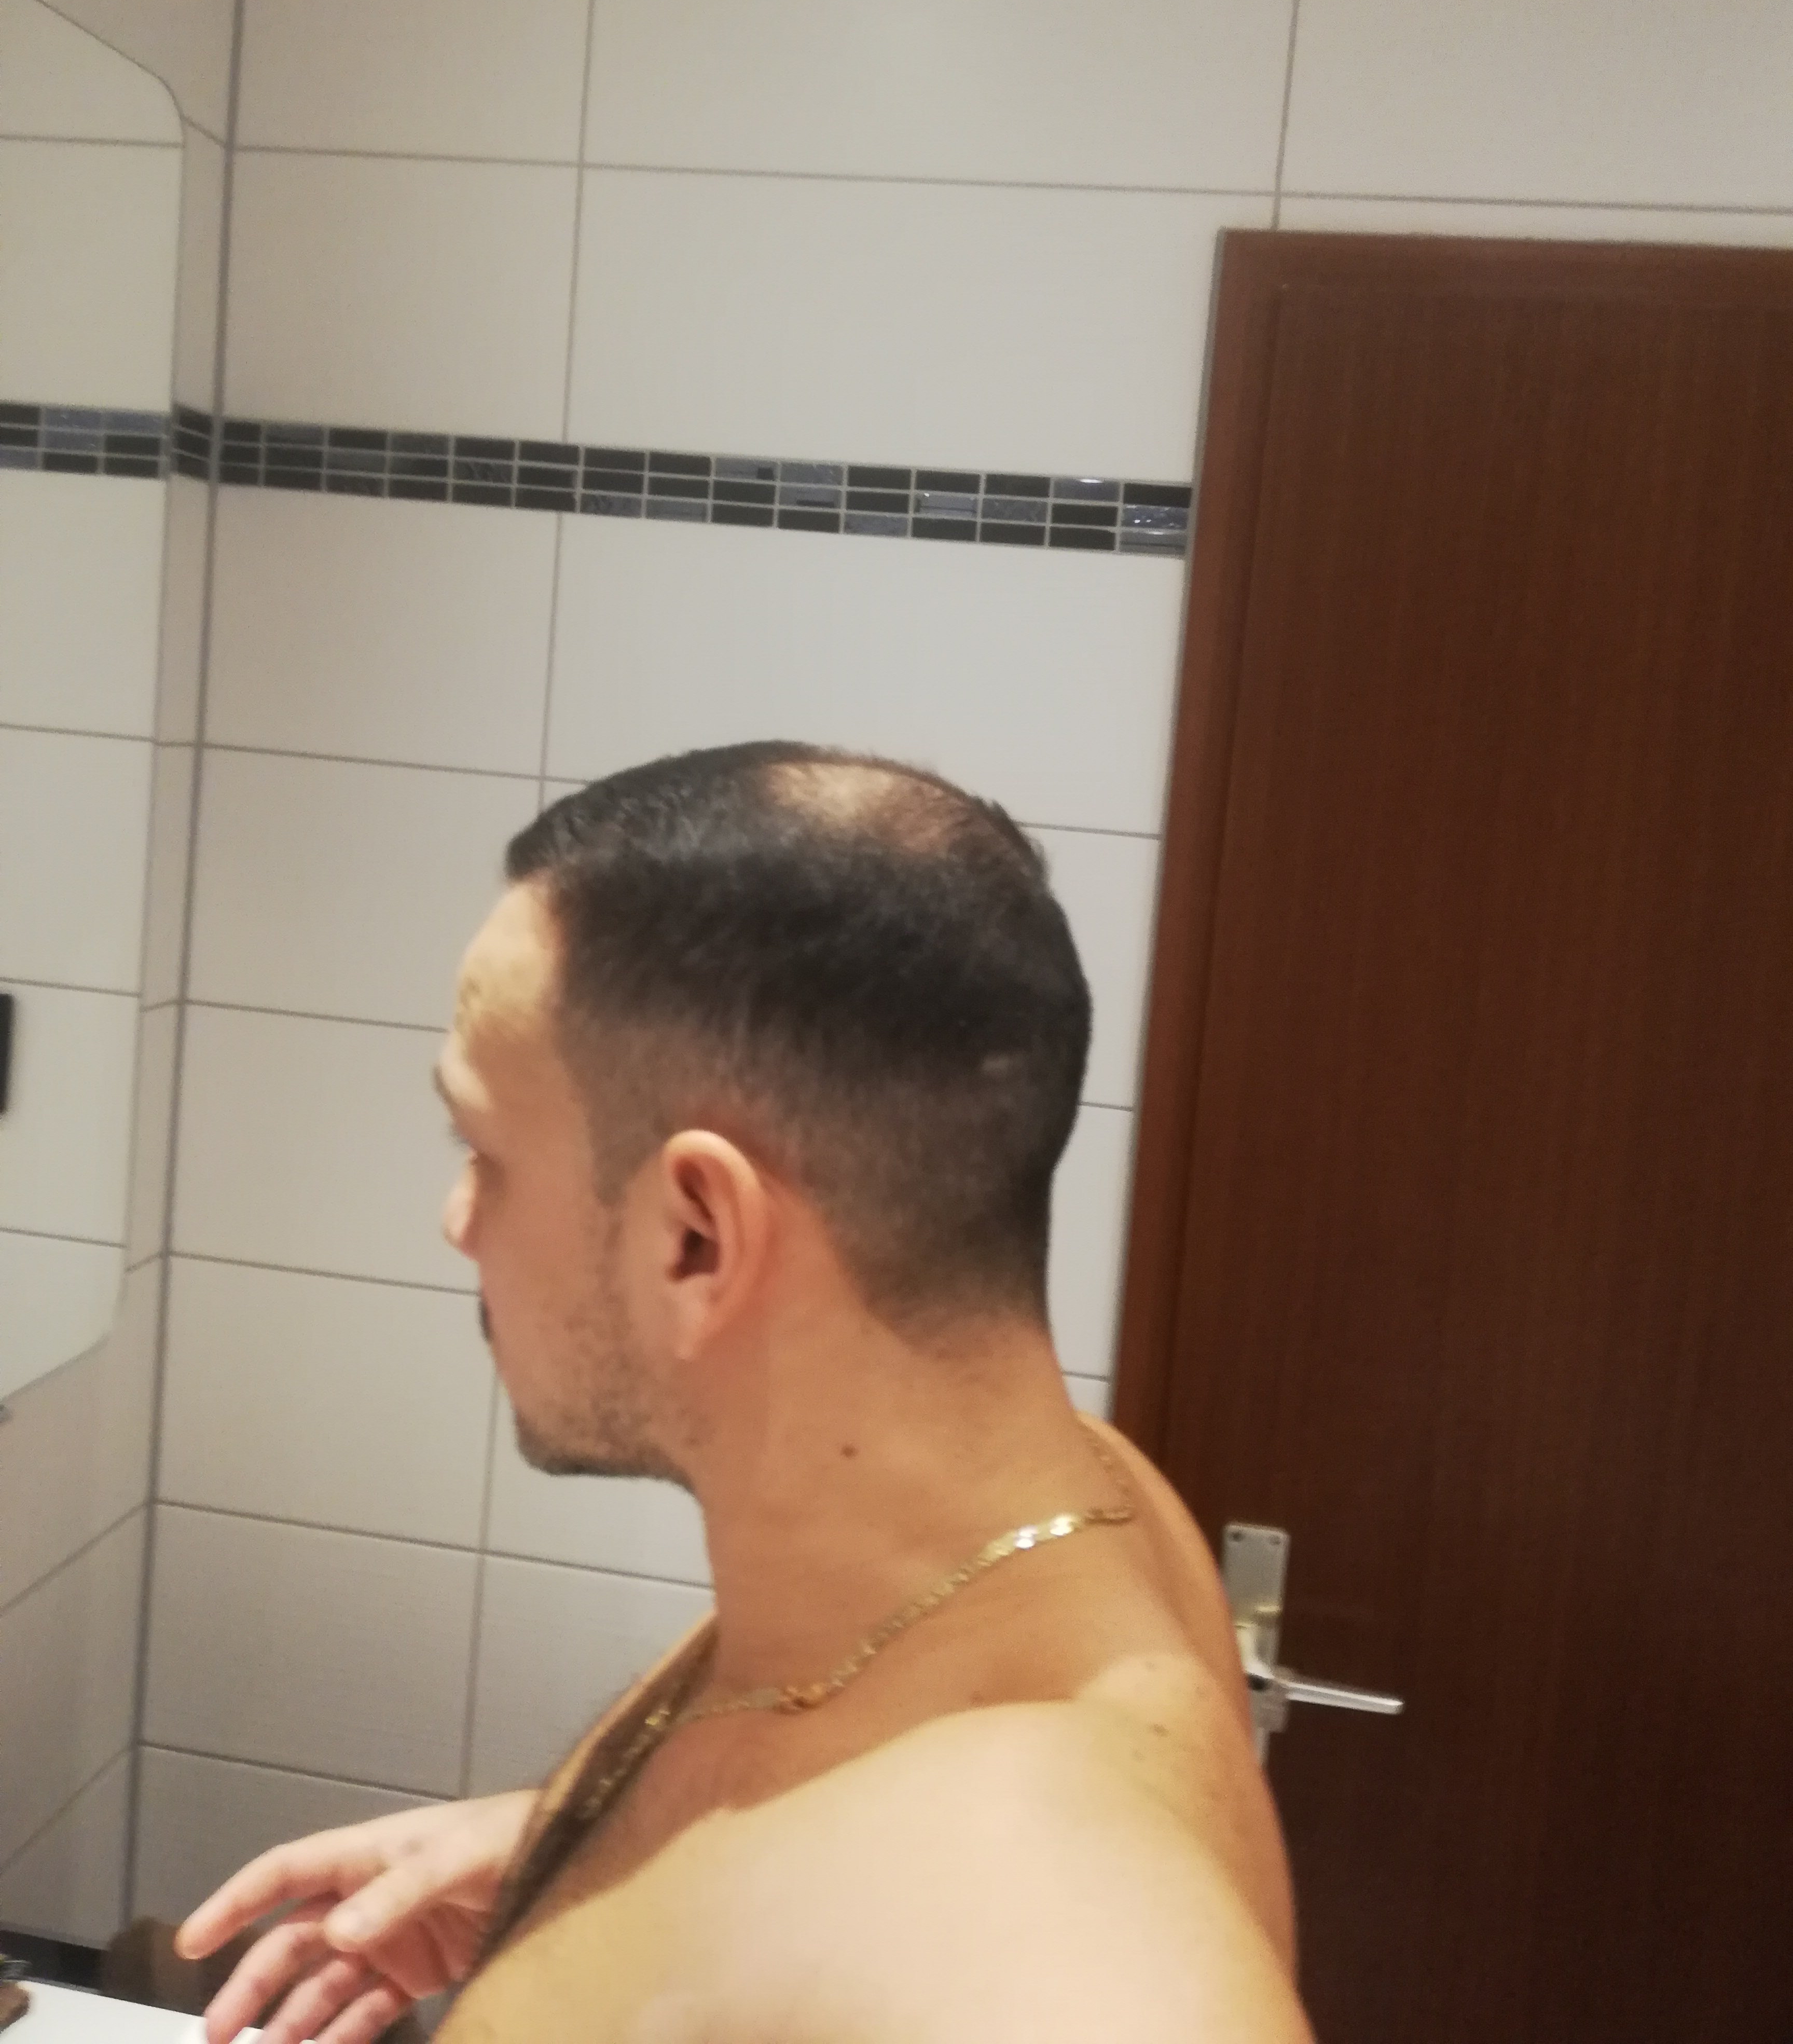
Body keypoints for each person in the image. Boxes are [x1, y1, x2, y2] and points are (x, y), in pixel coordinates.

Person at [176, 744, 1310, 2044]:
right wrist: (584, 1867)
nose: (459, 1222)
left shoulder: (1040, 1907)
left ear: (697, 1238)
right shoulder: (1057, 1514)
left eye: (484, 1151)